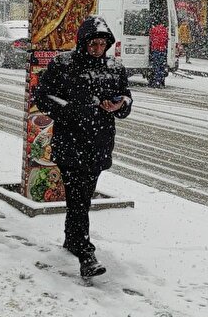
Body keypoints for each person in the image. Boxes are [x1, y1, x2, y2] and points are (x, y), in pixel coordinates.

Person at [33, 17, 132, 279]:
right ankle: (86, 253)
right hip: (70, 143)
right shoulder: (63, 64)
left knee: (82, 197)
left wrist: (119, 104)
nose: (98, 49)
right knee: (78, 198)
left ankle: (71, 239)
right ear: (83, 42)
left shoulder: (115, 69)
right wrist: (72, 110)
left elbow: (126, 98)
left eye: (102, 44)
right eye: (93, 44)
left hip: (99, 144)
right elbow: (42, 96)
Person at [148, 22, 169, 88]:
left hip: (156, 50)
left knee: (156, 66)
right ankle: (161, 82)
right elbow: (166, 40)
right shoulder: (165, 30)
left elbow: (151, 38)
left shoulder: (154, 30)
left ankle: (157, 82)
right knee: (162, 66)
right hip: (163, 50)